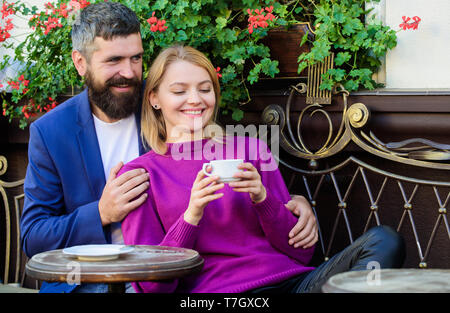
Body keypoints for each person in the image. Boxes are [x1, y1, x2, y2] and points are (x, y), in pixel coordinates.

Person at [19, 2, 318, 293]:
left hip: (177, 271)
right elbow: (33, 237)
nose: (128, 72)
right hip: (96, 277)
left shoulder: (171, 105)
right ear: (81, 62)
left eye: (135, 59)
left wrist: (292, 201)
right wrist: (101, 212)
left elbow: (215, 159)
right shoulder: (51, 132)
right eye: (113, 61)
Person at [120, 45, 405, 293]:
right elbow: (152, 285)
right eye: (180, 91)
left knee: (384, 241)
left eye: (205, 89)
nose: (195, 99)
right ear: (154, 99)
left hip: (293, 284)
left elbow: (301, 253)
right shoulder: (141, 175)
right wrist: (191, 215)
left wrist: (263, 199)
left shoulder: (252, 150)